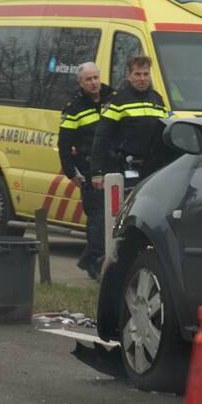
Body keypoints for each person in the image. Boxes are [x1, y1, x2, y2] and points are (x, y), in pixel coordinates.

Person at [58, 62, 114, 280]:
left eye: (96, 78)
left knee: (113, 219)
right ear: (80, 83)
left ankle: (88, 259)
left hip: (113, 168)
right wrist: (72, 173)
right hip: (89, 170)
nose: (94, 83)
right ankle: (96, 264)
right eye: (88, 79)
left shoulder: (113, 99)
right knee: (98, 220)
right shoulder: (74, 107)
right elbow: (64, 144)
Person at [90, 55, 169, 193]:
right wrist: (97, 171)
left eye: (146, 74)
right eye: (137, 74)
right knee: (130, 201)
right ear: (129, 76)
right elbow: (101, 137)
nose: (142, 78)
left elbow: (165, 134)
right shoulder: (117, 100)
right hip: (126, 165)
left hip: (153, 166)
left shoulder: (157, 99)